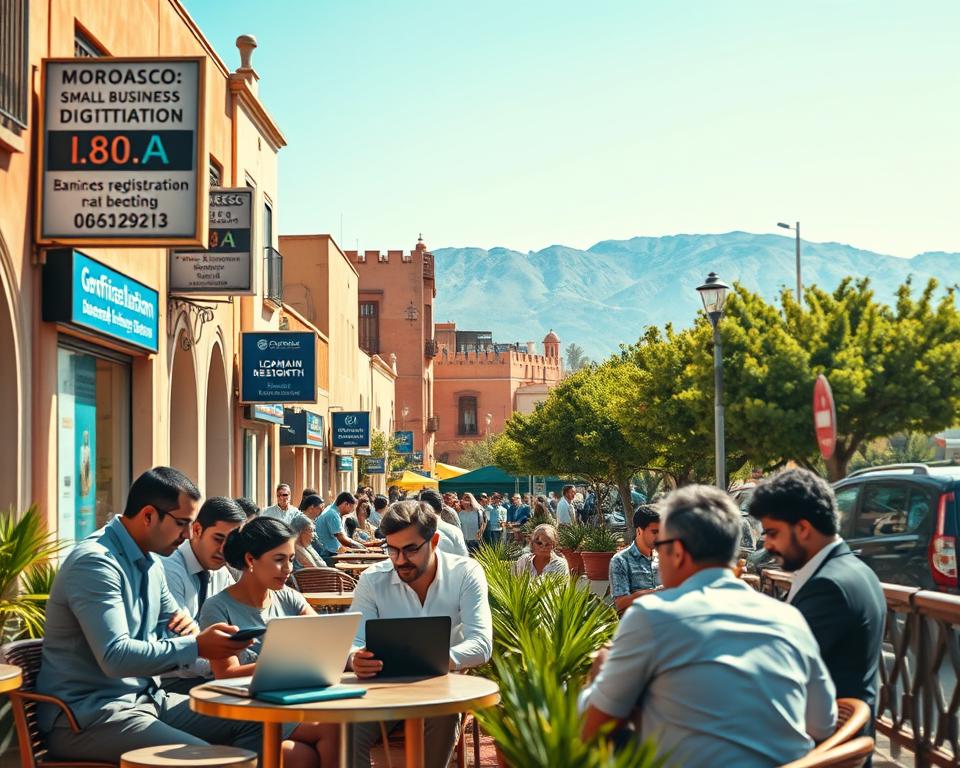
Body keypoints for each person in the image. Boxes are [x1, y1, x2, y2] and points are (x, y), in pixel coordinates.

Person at [580, 485, 837, 768]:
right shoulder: (789, 619)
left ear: (677, 552)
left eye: (660, 546)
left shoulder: (652, 616)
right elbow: (823, 725)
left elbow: (591, 731)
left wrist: (601, 673)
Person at [35, 467, 266, 763]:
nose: (186, 535)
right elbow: (115, 656)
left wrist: (216, 642)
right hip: (91, 717)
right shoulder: (95, 563)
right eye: (181, 523)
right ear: (148, 515)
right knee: (215, 761)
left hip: (147, 700)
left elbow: (184, 627)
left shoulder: (152, 562)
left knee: (260, 721)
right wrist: (197, 645)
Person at [347, 500, 492, 767]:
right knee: (346, 729)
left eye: (410, 549)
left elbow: (482, 644)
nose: (400, 560)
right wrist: (355, 657)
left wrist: (436, 661)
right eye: (392, 550)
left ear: (434, 541)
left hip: (441, 688)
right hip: (381, 691)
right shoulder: (372, 579)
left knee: (443, 712)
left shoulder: (465, 573)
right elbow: (353, 641)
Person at [198, 517, 338, 767]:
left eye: (291, 559)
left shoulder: (289, 598)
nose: (288, 569)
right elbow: (226, 674)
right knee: (327, 732)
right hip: (248, 713)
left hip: (290, 704)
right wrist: (284, 663)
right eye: (279, 559)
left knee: (306, 751)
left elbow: (326, 640)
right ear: (251, 560)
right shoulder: (217, 608)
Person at [749, 468, 886, 718]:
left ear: (802, 528)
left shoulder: (828, 586)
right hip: (838, 738)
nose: (767, 544)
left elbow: (781, 668)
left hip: (822, 746)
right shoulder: (853, 570)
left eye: (772, 533)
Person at [161, 496, 247, 693]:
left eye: (231, 543)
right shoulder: (169, 570)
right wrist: (226, 664)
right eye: (218, 539)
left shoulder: (220, 571)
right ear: (197, 530)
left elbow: (241, 616)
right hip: (170, 684)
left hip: (206, 676)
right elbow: (178, 649)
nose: (224, 550)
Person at [608, 505, 662, 614]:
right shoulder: (620, 561)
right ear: (639, 531)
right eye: (655, 532)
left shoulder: (664, 558)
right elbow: (620, 604)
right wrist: (656, 592)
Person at [315, 492, 367, 565]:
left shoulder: (332, 510)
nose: (351, 512)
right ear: (346, 504)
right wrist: (359, 546)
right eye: (351, 508)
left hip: (331, 551)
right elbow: (342, 538)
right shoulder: (333, 514)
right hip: (327, 554)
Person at [417, 489, 470, 556]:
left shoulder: (416, 532)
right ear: (442, 507)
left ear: (421, 508)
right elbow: (464, 557)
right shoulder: (455, 531)